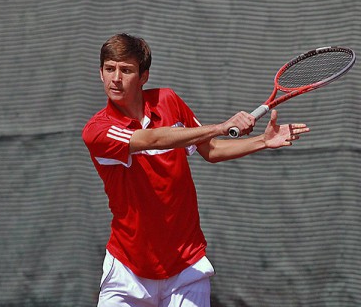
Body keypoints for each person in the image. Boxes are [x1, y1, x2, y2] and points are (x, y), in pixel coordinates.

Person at [82, 33, 309, 307]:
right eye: (109, 69)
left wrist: (262, 140)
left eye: (126, 70)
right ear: (101, 72)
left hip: (186, 267)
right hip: (128, 272)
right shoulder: (97, 130)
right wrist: (222, 126)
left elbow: (210, 150)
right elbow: (152, 139)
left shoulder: (168, 101)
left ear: (143, 76)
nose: (116, 78)